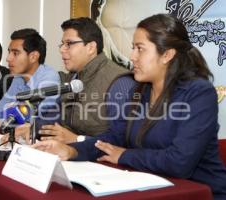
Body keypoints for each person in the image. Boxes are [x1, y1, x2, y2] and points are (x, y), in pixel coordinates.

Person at [33, 14, 226, 200]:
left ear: (167, 54)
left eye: (140, 49)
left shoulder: (199, 93)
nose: (132, 56)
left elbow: (179, 162)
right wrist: (72, 150)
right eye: (133, 48)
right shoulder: (140, 91)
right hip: (151, 186)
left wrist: (125, 155)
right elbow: (114, 138)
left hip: (200, 192)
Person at [22, 17, 135, 144]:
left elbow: (122, 140)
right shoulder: (73, 78)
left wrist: (78, 139)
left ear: (91, 47)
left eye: (69, 44)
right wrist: (32, 129)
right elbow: (54, 117)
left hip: (100, 162)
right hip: (70, 155)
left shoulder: (119, 81)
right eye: (62, 44)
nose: (61, 50)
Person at [0, 28, 60, 132]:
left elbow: (24, 121)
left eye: (15, 53)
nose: (8, 58)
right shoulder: (18, 78)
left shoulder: (49, 79)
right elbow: (0, 109)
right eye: (9, 52)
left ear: (33, 57)